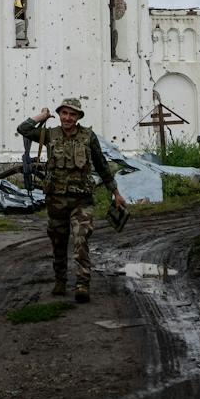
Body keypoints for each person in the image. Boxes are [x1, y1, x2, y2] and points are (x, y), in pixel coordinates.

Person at [16, 98, 126, 302]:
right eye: (64, 113)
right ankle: (60, 280)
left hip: (81, 200)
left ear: (78, 117)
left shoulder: (88, 137)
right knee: (58, 242)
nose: (67, 118)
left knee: (81, 240)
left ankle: (82, 284)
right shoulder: (50, 135)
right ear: (59, 114)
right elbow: (23, 129)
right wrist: (42, 116)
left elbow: (101, 165)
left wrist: (116, 193)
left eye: (72, 114)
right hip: (56, 201)